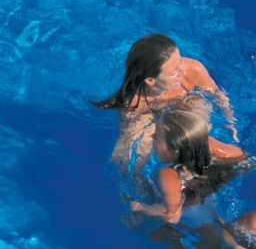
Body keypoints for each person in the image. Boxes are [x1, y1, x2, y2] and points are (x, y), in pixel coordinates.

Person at [127, 109, 249, 249]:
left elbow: (172, 216)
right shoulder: (206, 146)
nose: (152, 136)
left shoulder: (167, 174)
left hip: (203, 237)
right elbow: (245, 159)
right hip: (212, 220)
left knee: (148, 229)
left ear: (175, 149)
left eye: (157, 136)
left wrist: (141, 208)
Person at [91, 33, 237, 169]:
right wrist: (127, 149)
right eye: (173, 72)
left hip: (186, 101)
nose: (182, 72)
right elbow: (128, 134)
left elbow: (218, 95)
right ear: (150, 80)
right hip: (147, 113)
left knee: (196, 131)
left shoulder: (194, 70)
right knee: (137, 150)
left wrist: (230, 120)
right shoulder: (135, 102)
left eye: (180, 61)